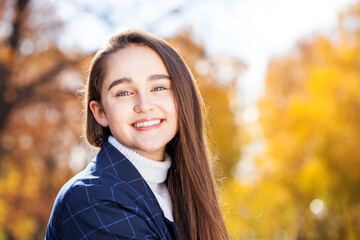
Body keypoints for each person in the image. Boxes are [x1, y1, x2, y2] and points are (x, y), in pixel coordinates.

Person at [45, 29, 229, 240]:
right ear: (100, 112)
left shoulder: (179, 189)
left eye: (159, 87)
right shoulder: (91, 198)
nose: (144, 105)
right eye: (124, 92)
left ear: (182, 97)